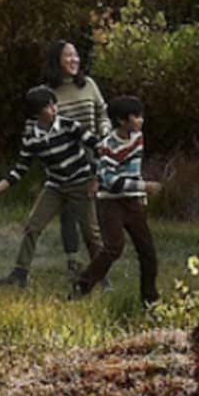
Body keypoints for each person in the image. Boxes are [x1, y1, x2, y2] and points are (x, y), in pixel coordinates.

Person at [0, 86, 103, 288]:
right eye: (48, 105)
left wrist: (96, 179)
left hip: (81, 183)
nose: (54, 107)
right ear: (37, 112)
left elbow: (98, 147)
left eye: (54, 103)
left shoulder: (69, 125)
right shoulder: (31, 138)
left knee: (91, 233)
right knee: (32, 227)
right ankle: (19, 274)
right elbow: (19, 170)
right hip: (55, 186)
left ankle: (100, 276)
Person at [72, 96, 161, 304]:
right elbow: (111, 181)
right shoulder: (107, 147)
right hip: (110, 202)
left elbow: (134, 168)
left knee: (147, 251)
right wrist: (144, 187)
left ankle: (150, 300)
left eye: (141, 116)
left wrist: (139, 195)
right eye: (136, 116)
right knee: (114, 247)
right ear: (122, 121)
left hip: (132, 201)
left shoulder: (137, 136)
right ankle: (82, 285)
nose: (141, 120)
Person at [42, 40, 108, 271]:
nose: (74, 60)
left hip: (95, 155)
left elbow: (102, 112)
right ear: (56, 61)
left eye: (76, 55)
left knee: (92, 219)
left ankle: (99, 267)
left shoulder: (88, 85)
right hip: (67, 161)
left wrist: (105, 130)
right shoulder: (49, 93)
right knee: (69, 213)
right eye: (68, 56)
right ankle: (73, 262)